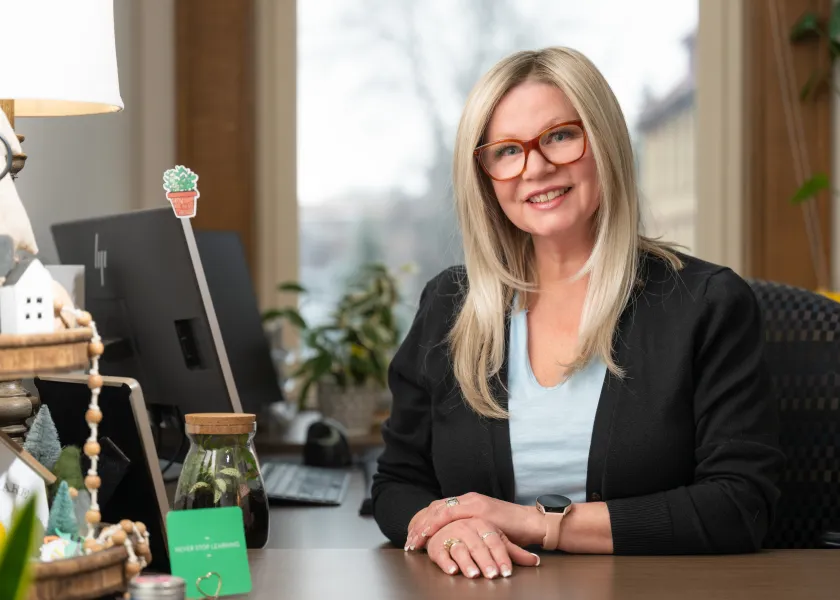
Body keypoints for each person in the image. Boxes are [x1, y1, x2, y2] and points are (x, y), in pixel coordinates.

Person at [370, 46, 784, 579]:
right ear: (486, 175)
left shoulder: (705, 304)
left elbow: (741, 505)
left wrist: (539, 524)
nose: (536, 168)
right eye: (506, 151)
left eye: (560, 136)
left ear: (604, 141)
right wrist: (444, 523)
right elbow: (397, 484)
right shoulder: (451, 305)